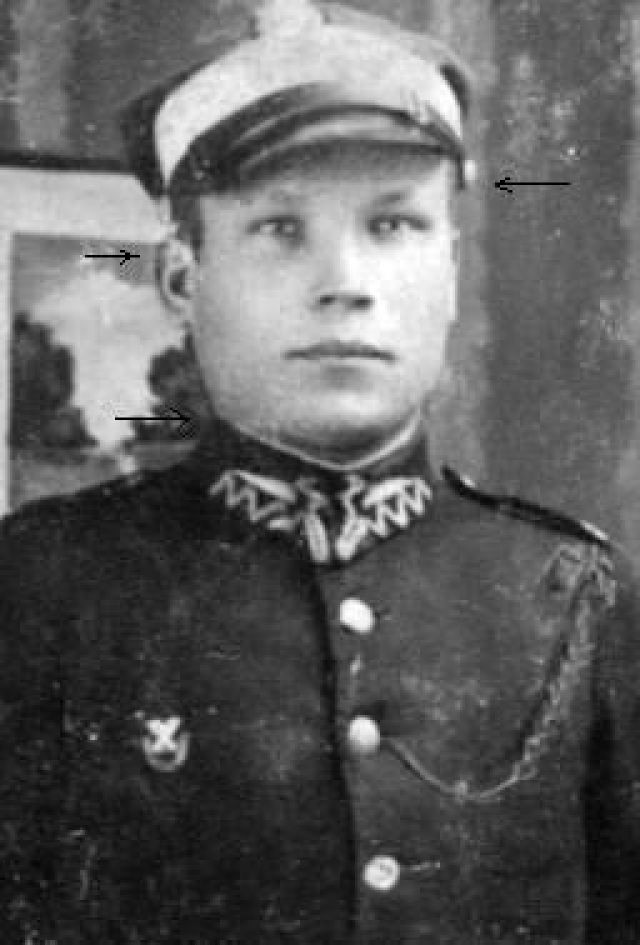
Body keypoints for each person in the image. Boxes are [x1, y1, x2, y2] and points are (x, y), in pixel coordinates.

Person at [1, 1, 639, 942]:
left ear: (450, 272)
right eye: (280, 229)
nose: (346, 282)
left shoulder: (573, 594)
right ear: (182, 278)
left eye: (393, 224)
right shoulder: (39, 586)